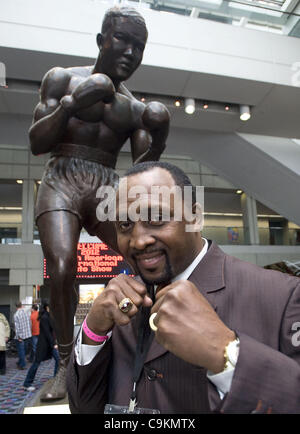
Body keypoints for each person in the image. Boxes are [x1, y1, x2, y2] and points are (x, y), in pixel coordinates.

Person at [67, 161, 300, 414]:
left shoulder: (284, 296)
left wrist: (228, 355)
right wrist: (93, 332)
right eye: (125, 225)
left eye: (156, 218)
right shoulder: (119, 306)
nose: (139, 240)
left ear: (195, 217)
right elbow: (83, 407)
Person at [29, 6, 169, 400]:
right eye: (122, 40)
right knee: (60, 266)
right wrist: (71, 104)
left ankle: (150, 347)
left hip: (107, 184)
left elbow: (143, 169)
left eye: (138, 47)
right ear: (100, 41)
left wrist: (158, 137)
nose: (129, 52)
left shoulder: (135, 109)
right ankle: (65, 363)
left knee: (148, 254)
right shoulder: (62, 78)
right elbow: (37, 142)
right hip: (62, 178)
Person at [23, 301, 60, 392]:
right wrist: (54, 344)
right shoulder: (44, 317)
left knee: (58, 359)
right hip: (44, 345)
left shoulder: (47, 316)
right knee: (36, 363)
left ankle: (55, 380)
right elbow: (47, 333)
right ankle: (27, 383)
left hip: (48, 344)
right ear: (47, 307)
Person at [13, 302, 32, 370]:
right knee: (24, 350)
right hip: (28, 335)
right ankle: (20, 361)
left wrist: (19, 337)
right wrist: (29, 331)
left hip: (21, 336)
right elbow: (30, 323)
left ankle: (22, 365)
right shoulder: (26, 313)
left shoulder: (16, 315)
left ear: (16, 307)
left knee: (21, 351)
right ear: (21, 305)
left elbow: (17, 327)